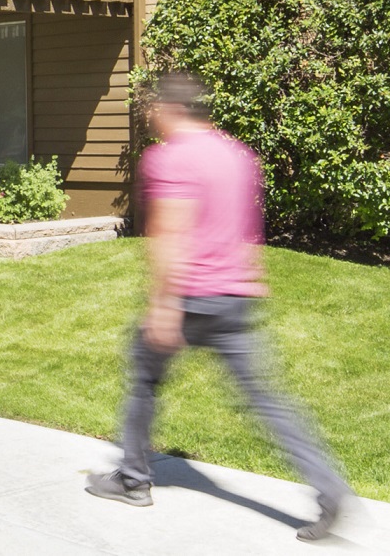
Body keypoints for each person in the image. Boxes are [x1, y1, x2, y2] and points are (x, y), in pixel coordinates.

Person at [87, 69, 353, 543]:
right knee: (268, 400)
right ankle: (330, 487)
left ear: (171, 110)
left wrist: (163, 306)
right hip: (235, 298)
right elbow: (244, 228)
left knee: (145, 379)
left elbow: (172, 232)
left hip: (190, 297)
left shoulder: (169, 159)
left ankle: (132, 479)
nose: (151, 119)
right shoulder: (239, 156)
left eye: (153, 110)